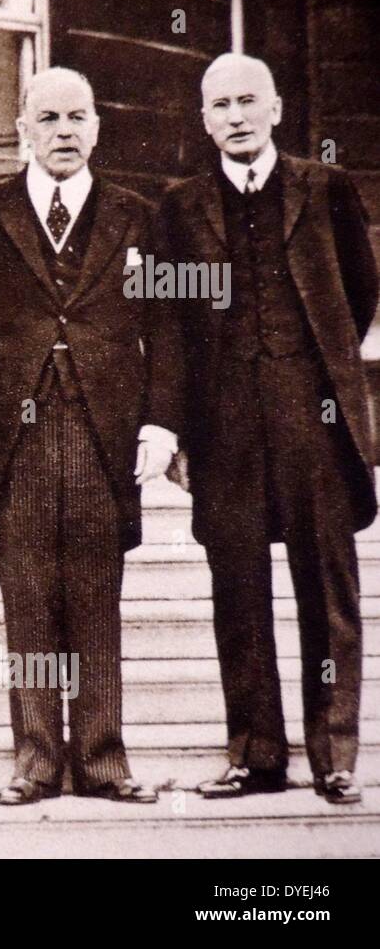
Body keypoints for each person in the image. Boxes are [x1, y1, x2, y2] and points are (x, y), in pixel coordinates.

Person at [0, 67, 183, 806]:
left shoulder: (138, 218)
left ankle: (105, 760)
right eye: (47, 118)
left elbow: (168, 328)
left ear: (98, 126)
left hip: (102, 429)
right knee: (26, 598)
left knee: (96, 596)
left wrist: (161, 421)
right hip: (12, 431)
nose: (64, 132)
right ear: (22, 127)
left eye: (78, 116)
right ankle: (37, 760)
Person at [157, 53, 378, 805]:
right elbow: (174, 323)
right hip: (225, 432)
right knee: (238, 592)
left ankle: (334, 753)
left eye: (249, 101)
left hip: (312, 421)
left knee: (328, 588)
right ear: (205, 120)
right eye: (221, 106)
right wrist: (180, 432)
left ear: (277, 109)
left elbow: (358, 292)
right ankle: (255, 754)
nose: (237, 117)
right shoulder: (178, 208)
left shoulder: (326, 187)